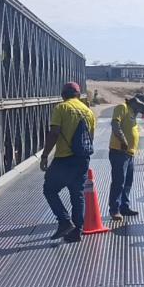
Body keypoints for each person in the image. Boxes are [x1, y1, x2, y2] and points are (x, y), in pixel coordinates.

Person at [41, 82, 96, 243]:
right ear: (78, 95)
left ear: (63, 95)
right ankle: (76, 231)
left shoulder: (62, 108)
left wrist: (45, 155)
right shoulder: (88, 112)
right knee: (77, 194)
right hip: (82, 159)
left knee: (49, 189)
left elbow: (54, 133)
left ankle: (64, 221)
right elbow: (90, 139)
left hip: (64, 158)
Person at [109, 95, 144, 220]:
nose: (140, 110)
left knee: (127, 182)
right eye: (140, 106)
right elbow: (115, 124)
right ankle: (114, 209)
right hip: (119, 151)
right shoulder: (123, 107)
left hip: (129, 154)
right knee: (119, 181)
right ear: (134, 103)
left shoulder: (133, 114)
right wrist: (123, 140)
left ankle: (124, 207)